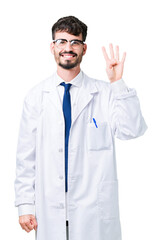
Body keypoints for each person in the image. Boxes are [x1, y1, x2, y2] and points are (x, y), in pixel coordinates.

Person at [14, 16, 147, 240]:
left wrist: (118, 83)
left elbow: (131, 129)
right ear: (52, 47)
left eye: (75, 42)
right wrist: (25, 204)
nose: (68, 48)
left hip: (93, 211)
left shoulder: (105, 93)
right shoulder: (36, 97)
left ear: (84, 48)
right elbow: (26, 156)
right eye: (62, 41)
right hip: (50, 209)